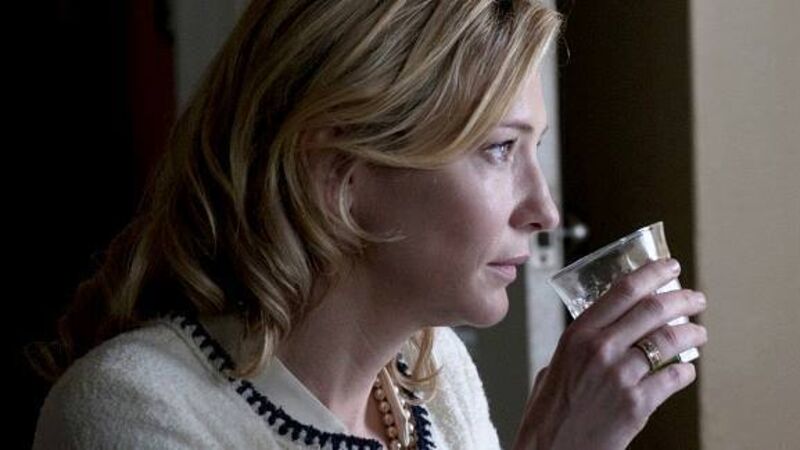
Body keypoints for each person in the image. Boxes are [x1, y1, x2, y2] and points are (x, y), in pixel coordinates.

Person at [31, 0, 708, 449]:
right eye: (501, 149)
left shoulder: (435, 376)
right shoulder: (131, 409)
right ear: (339, 171)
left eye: (535, 148)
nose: (544, 210)